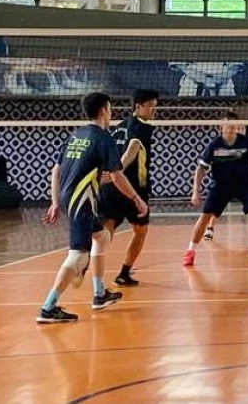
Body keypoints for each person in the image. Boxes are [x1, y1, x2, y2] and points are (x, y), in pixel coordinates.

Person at [37, 92, 148, 323]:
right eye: (109, 108)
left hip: (70, 196)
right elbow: (117, 176)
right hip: (82, 200)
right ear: (103, 111)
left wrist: (55, 201)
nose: (111, 113)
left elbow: (56, 170)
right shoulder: (103, 138)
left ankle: (99, 294)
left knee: (102, 238)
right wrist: (137, 199)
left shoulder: (76, 135)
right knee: (77, 255)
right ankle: (49, 308)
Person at [183, 112, 248, 267]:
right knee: (205, 216)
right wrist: (195, 191)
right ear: (222, 127)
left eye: (234, 124)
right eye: (228, 124)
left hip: (244, 183)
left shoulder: (246, 143)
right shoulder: (214, 145)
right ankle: (190, 251)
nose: (231, 127)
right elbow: (201, 169)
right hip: (221, 185)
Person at [96, 89, 158, 287]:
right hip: (131, 188)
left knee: (106, 233)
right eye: (150, 105)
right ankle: (123, 272)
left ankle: (83, 265)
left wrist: (108, 173)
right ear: (138, 106)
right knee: (141, 231)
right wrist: (118, 171)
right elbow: (133, 148)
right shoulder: (142, 127)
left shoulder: (117, 128)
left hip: (110, 188)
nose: (154, 109)